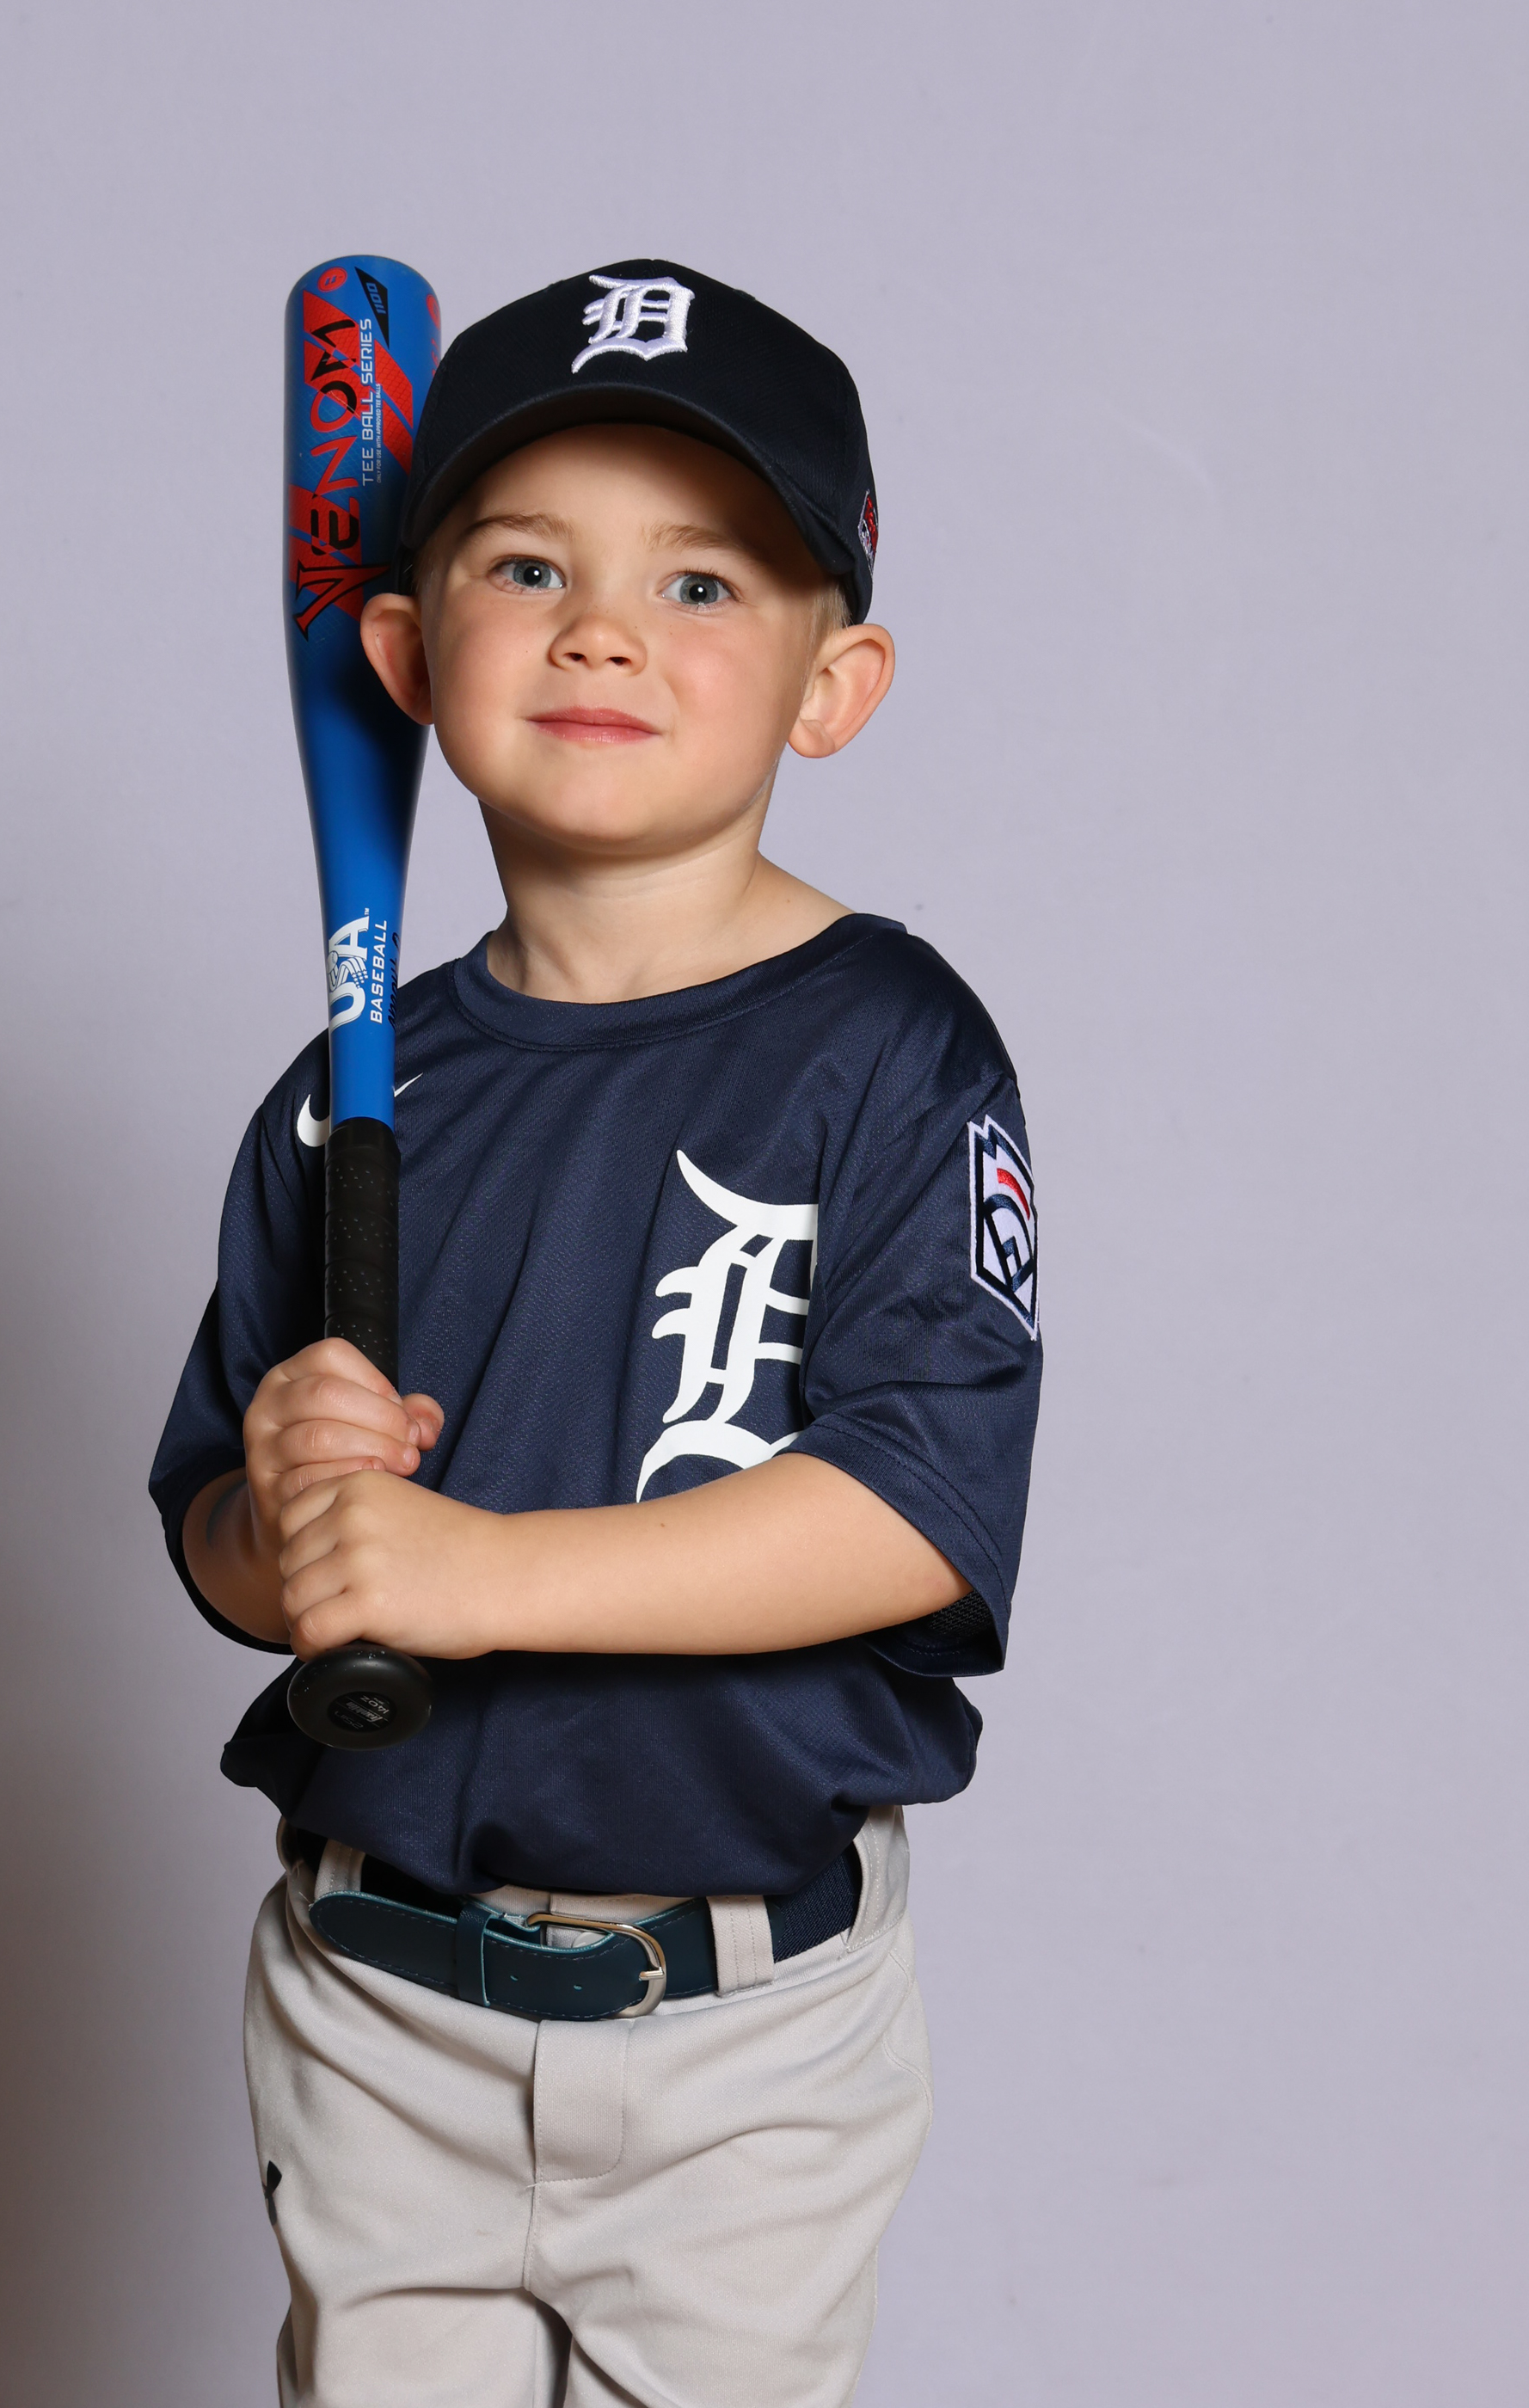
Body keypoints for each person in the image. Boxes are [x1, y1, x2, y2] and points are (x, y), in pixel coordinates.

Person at [150, 259, 1041, 2408]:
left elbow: (915, 1502)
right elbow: (215, 1539)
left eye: (702, 580)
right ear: (402, 655)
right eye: (527, 564)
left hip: (741, 2034)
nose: (604, 629)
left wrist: (476, 1571)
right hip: (375, 2001)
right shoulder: (345, 1096)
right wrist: (288, 1515)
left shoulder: (887, 1045)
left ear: (835, 682)